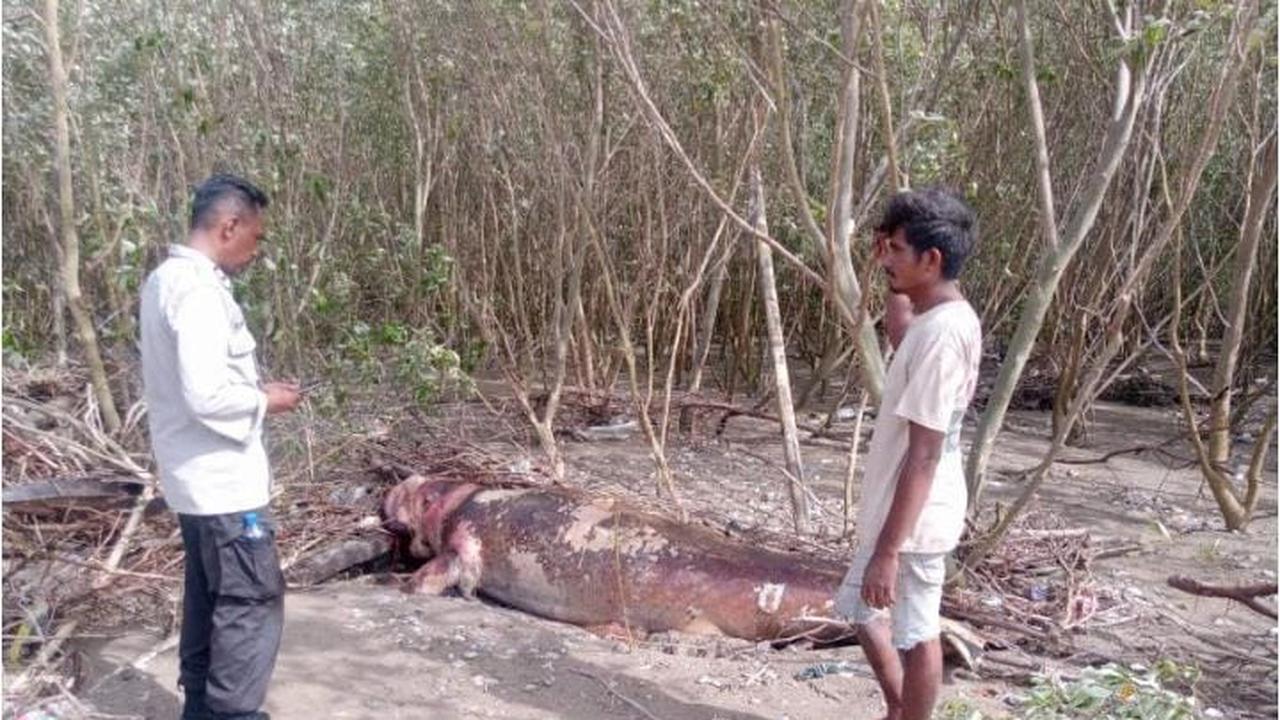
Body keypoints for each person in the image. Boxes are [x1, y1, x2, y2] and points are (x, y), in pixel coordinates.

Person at [140, 174, 301, 720]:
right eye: (255, 238)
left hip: (195, 485)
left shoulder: (165, 281)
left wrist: (254, 393)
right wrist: (265, 400)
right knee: (250, 604)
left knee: (209, 602)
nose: (255, 252)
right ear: (229, 226)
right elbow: (206, 394)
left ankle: (202, 709)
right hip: (224, 489)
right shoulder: (199, 291)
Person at [834, 187, 981, 720]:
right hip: (898, 511)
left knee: (916, 634)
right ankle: (900, 708)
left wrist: (890, 550)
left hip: (916, 520)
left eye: (896, 249)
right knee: (858, 608)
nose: (887, 257)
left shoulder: (945, 336)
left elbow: (925, 455)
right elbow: (901, 336)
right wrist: (890, 278)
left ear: (931, 259)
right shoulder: (932, 321)